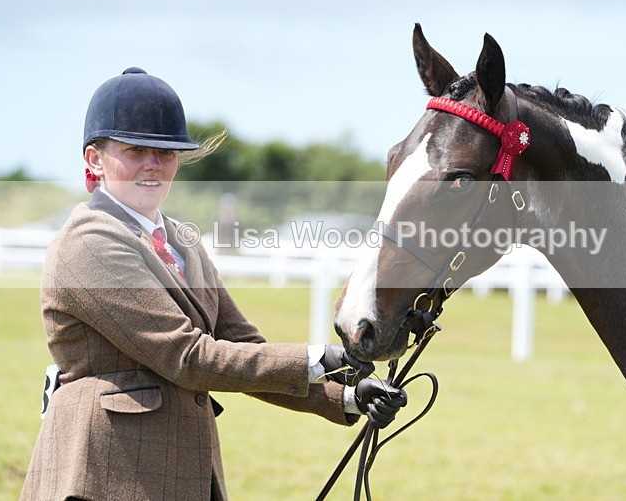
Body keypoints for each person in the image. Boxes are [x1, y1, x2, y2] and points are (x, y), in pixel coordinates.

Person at [21, 67, 407, 501]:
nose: (154, 165)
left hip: (183, 471)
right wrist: (323, 358)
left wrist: (347, 396)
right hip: (105, 476)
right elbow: (187, 356)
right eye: (135, 150)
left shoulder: (182, 241)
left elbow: (245, 346)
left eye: (166, 153)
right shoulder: (88, 243)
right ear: (94, 158)